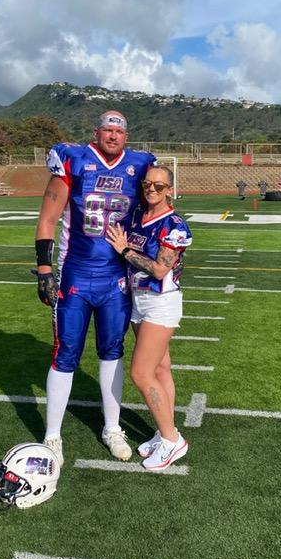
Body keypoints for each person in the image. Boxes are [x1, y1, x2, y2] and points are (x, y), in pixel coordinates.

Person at [33, 110, 157, 466]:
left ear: (126, 135)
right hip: (75, 275)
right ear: (97, 132)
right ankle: (52, 435)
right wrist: (44, 268)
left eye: (119, 130)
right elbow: (47, 217)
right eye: (107, 130)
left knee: (112, 351)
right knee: (65, 353)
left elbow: (154, 212)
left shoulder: (140, 165)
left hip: (116, 277)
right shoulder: (74, 159)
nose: (113, 135)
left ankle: (112, 427)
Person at [106, 166, 192, 472]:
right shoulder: (138, 216)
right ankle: (167, 430)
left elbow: (159, 270)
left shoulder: (174, 224)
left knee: (141, 374)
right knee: (160, 367)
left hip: (161, 302)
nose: (151, 189)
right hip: (138, 299)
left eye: (159, 185)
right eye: (147, 184)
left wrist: (124, 249)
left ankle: (172, 441)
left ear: (170, 188)